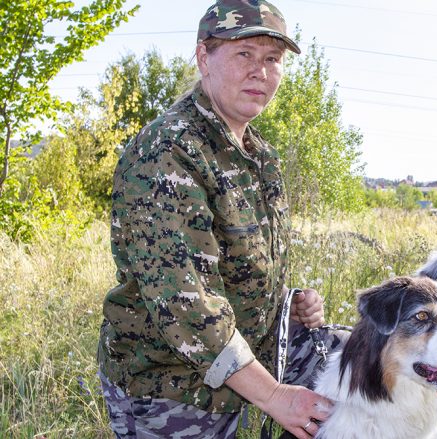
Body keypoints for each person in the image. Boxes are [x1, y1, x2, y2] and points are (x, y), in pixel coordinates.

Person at [96, 1, 346, 438]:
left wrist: (288, 301)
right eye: (243, 54)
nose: (261, 72)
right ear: (203, 58)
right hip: (172, 384)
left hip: (251, 356)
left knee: (376, 367)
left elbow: (239, 257)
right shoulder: (168, 152)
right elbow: (186, 304)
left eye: (272, 59)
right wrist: (273, 396)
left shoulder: (257, 153)